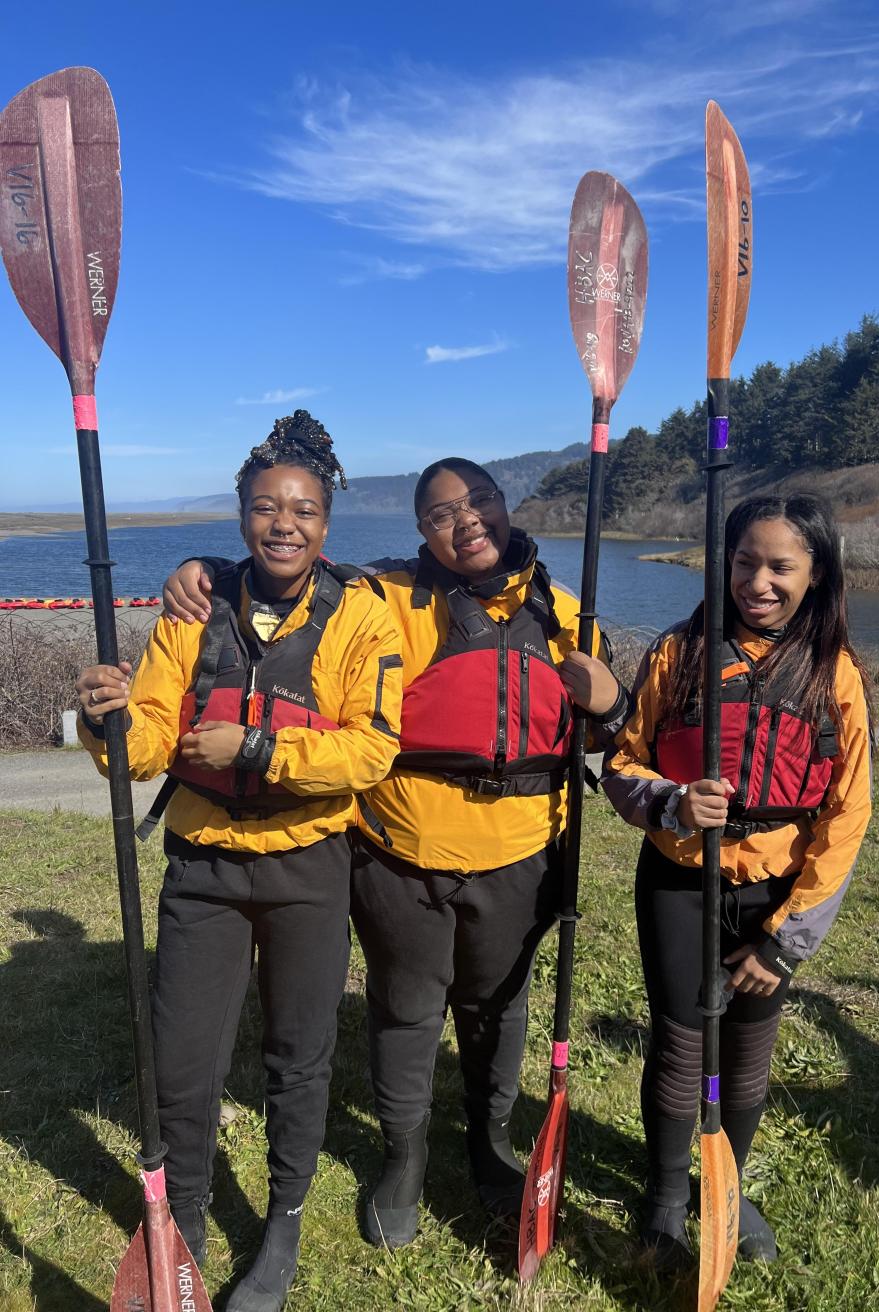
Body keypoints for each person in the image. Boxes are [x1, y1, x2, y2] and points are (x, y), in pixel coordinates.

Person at [162, 456, 630, 1248]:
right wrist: (205, 566)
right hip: (404, 853)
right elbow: (291, 569)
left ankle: (490, 1142)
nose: (468, 519)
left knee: (498, 1006)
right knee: (406, 1009)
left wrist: (611, 699)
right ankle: (403, 1157)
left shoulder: (566, 611)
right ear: (421, 531)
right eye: (443, 512)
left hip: (521, 854)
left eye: (480, 500)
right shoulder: (385, 597)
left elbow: (615, 734)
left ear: (506, 506)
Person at [77, 411, 403, 1312]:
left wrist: (257, 749)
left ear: (327, 524)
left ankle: (283, 1219)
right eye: (266, 507)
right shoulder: (194, 604)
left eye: (302, 509)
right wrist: (106, 722)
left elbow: (370, 751)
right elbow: (147, 736)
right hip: (205, 866)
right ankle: (176, 1219)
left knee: (298, 1056)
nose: (284, 523)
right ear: (242, 515)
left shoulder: (362, 616)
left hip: (308, 865)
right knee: (183, 1059)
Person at [602, 493, 873, 1270]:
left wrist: (786, 943)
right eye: (745, 561)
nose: (759, 580)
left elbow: (847, 815)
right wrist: (672, 800)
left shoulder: (836, 675)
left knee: (750, 1049)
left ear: (815, 575)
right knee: (683, 1045)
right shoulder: (677, 652)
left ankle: (727, 1183)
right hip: (682, 880)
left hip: (775, 892)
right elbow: (622, 767)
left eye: (782, 566)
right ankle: (662, 1195)